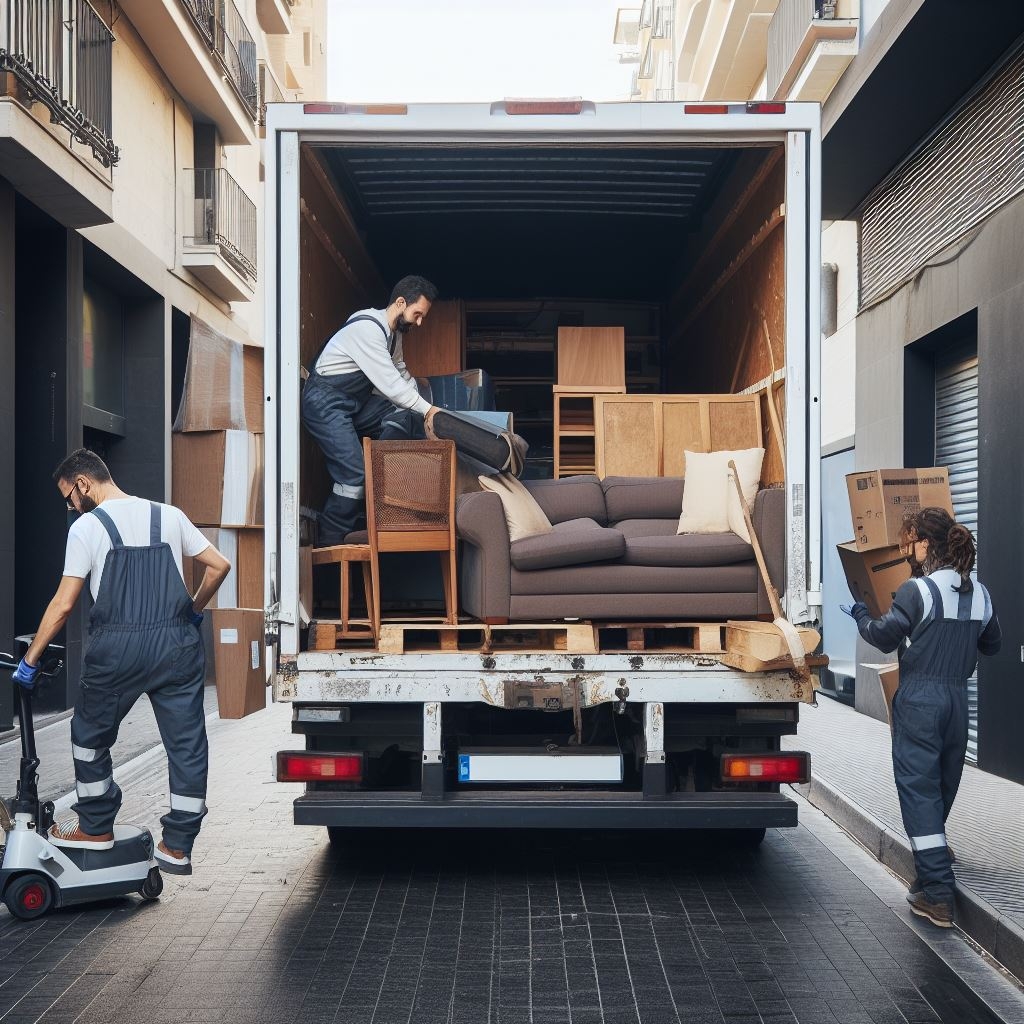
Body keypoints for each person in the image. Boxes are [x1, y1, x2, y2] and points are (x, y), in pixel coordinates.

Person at [12, 449, 230, 875]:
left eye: (68, 498)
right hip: (177, 647)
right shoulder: (169, 515)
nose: (71, 507)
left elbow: (64, 604)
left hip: (117, 652)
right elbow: (218, 566)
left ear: (83, 484)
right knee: (187, 745)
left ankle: (95, 827)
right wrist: (191, 610)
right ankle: (178, 846)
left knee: (89, 736)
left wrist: (31, 660)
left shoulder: (87, 528)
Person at [842, 507, 1000, 928]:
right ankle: (929, 873)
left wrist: (860, 613)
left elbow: (882, 636)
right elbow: (993, 644)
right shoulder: (980, 593)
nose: (905, 551)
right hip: (956, 702)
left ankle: (938, 893)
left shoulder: (918, 591)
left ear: (926, 545)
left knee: (918, 791)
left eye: (909, 542)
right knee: (942, 785)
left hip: (919, 701)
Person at [302, 275, 442, 546]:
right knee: (354, 477)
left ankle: (390, 481)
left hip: (353, 404)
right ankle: (331, 547)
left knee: (401, 411)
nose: (420, 322)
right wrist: (428, 411)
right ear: (401, 303)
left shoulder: (393, 334)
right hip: (324, 405)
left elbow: (400, 372)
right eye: (418, 314)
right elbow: (391, 384)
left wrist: (426, 407)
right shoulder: (368, 330)